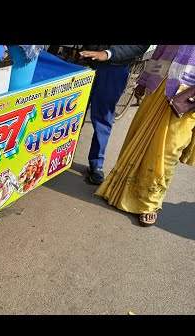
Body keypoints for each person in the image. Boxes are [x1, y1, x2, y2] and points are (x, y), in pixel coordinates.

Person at [95, 45, 195, 226]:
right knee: (138, 137)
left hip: (187, 96)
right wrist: (144, 80)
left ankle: (150, 203)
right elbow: (160, 50)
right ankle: (120, 190)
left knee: (168, 150)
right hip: (159, 86)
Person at [79, 45, 150, 184]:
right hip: (85, 61)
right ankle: (60, 156)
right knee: (72, 113)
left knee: (102, 118)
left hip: (114, 68)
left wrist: (108, 54)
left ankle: (96, 162)